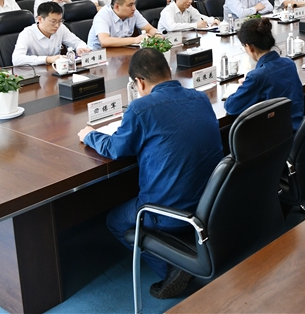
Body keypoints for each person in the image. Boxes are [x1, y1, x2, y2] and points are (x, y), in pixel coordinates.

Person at [78, 48, 223, 300]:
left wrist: (89, 135)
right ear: (168, 71)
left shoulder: (140, 108)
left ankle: (174, 268)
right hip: (210, 204)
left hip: (167, 214)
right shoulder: (200, 98)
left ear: (139, 82)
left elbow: (115, 148)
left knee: (114, 221)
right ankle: (183, 256)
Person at [224, 18, 304, 132]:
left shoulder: (257, 77)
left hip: (272, 138)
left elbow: (231, 107)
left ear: (249, 47)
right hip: (297, 131)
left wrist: (243, 88)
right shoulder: (289, 63)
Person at [12, 2, 90, 66]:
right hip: (35, 73)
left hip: (57, 70)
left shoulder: (61, 28)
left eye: (60, 21)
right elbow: (16, 59)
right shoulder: (27, 33)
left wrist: (80, 48)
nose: (57, 25)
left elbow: (77, 42)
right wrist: (47, 59)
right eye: (53, 21)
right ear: (40, 19)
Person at [86, 0, 159, 50]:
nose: (134, 8)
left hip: (120, 51)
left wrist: (157, 35)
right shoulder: (103, 15)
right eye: (130, 5)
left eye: (134, 4)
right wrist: (135, 40)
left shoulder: (133, 12)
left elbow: (149, 29)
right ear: (117, 7)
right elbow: (104, 41)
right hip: (99, 55)